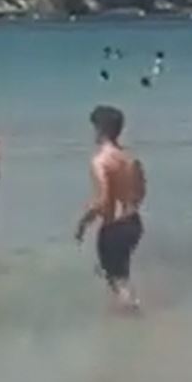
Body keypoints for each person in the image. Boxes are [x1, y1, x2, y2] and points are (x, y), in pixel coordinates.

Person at [73, 105, 147, 312]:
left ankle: (131, 315)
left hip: (114, 226)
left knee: (117, 279)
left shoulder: (100, 161)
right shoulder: (131, 159)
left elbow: (103, 199)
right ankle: (124, 312)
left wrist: (83, 223)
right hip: (134, 223)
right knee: (117, 273)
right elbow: (141, 191)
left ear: (100, 129)